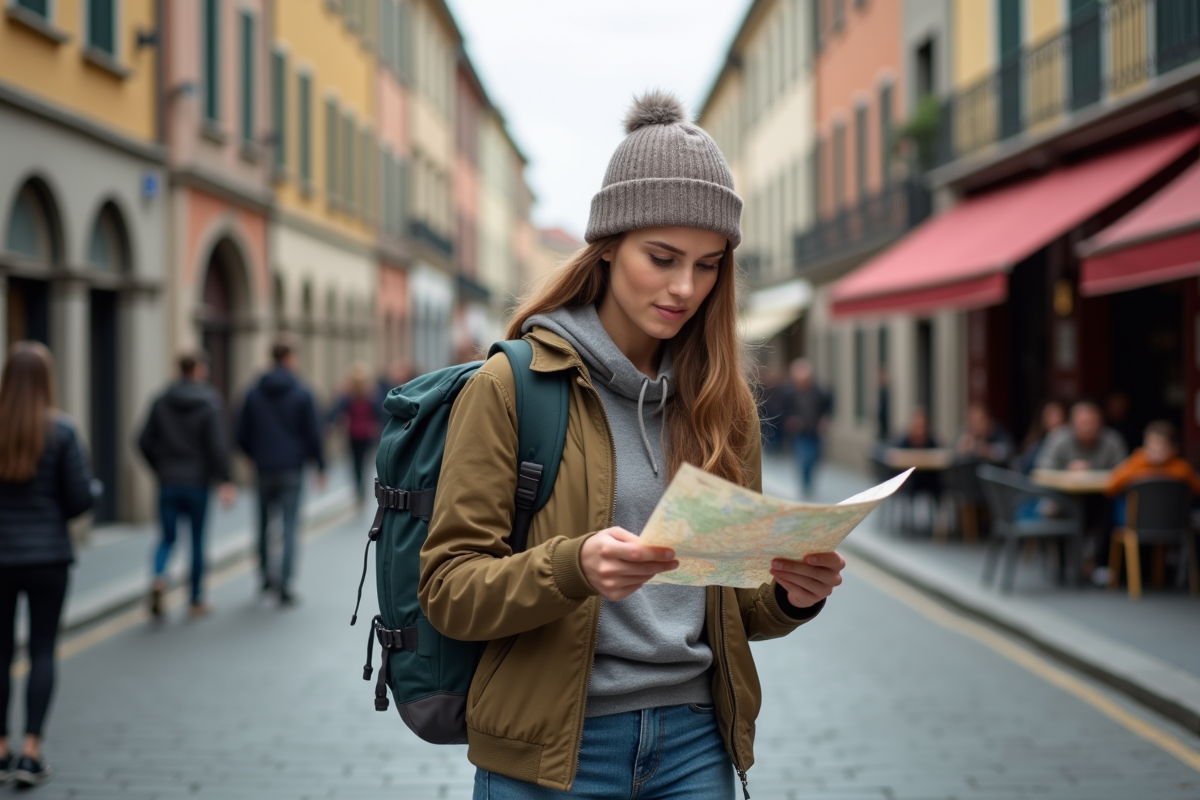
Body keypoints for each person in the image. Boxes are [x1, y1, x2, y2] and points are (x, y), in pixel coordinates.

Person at [419, 91, 846, 799]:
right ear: (609, 245)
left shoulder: (721, 404)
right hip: (551, 756)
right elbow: (449, 592)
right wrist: (573, 566)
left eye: (709, 264)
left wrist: (795, 596)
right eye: (663, 256)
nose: (685, 287)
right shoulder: (512, 385)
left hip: (694, 747)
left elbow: (737, 609)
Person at [0, 342, 95, 788]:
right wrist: (92, 489)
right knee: (41, 650)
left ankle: (0, 748)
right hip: (47, 558)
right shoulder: (62, 432)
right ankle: (32, 752)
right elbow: (78, 501)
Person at [137, 352, 237, 620]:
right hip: (197, 483)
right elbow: (217, 446)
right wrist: (225, 479)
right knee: (196, 540)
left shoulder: (161, 400)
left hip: (168, 480)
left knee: (166, 537)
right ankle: (195, 600)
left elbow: (143, 440)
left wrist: (159, 466)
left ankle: (159, 578)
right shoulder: (209, 402)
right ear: (199, 370)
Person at [236, 339, 326, 606]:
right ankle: (285, 584)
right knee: (289, 526)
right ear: (289, 359)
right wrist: (319, 465)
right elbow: (313, 433)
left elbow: (241, 432)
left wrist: (253, 455)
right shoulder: (302, 392)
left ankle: (265, 576)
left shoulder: (253, 392)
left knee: (263, 524)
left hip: (263, 468)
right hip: (291, 468)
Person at [328, 362, 384, 506]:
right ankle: (361, 489)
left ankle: (359, 489)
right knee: (364, 462)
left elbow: (337, 411)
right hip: (366, 434)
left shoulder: (349, 396)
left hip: (353, 433)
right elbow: (380, 413)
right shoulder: (371, 395)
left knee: (355, 463)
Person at [1106, 420, 1200, 505]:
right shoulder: (1135, 464)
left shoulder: (1182, 469)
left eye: (1162, 447)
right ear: (1144, 447)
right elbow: (1112, 487)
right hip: (1138, 520)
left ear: (1174, 448)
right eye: (1152, 447)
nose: (1156, 452)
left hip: (1172, 520)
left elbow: (1197, 489)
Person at [782, 358, 832, 498]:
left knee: (814, 458)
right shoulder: (790, 394)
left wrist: (825, 420)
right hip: (800, 432)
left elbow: (828, 407)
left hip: (815, 431)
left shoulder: (819, 392)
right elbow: (784, 411)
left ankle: (809, 480)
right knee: (803, 458)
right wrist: (790, 421)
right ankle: (805, 483)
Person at [1036, 399, 1128, 471]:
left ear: (1101, 422)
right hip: (1061, 492)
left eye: (1091, 422)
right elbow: (1042, 467)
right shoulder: (1057, 437)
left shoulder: (1112, 440)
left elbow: (1124, 470)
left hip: (1105, 492)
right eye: (1082, 423)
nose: (1087, 428)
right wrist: (1066, 469)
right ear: (1071, 422)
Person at [1017, 400, 1066, 474]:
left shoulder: (1069, 441)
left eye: (1055, 414)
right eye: (1048, 415)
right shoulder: (1036, 443)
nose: (1051, 419)